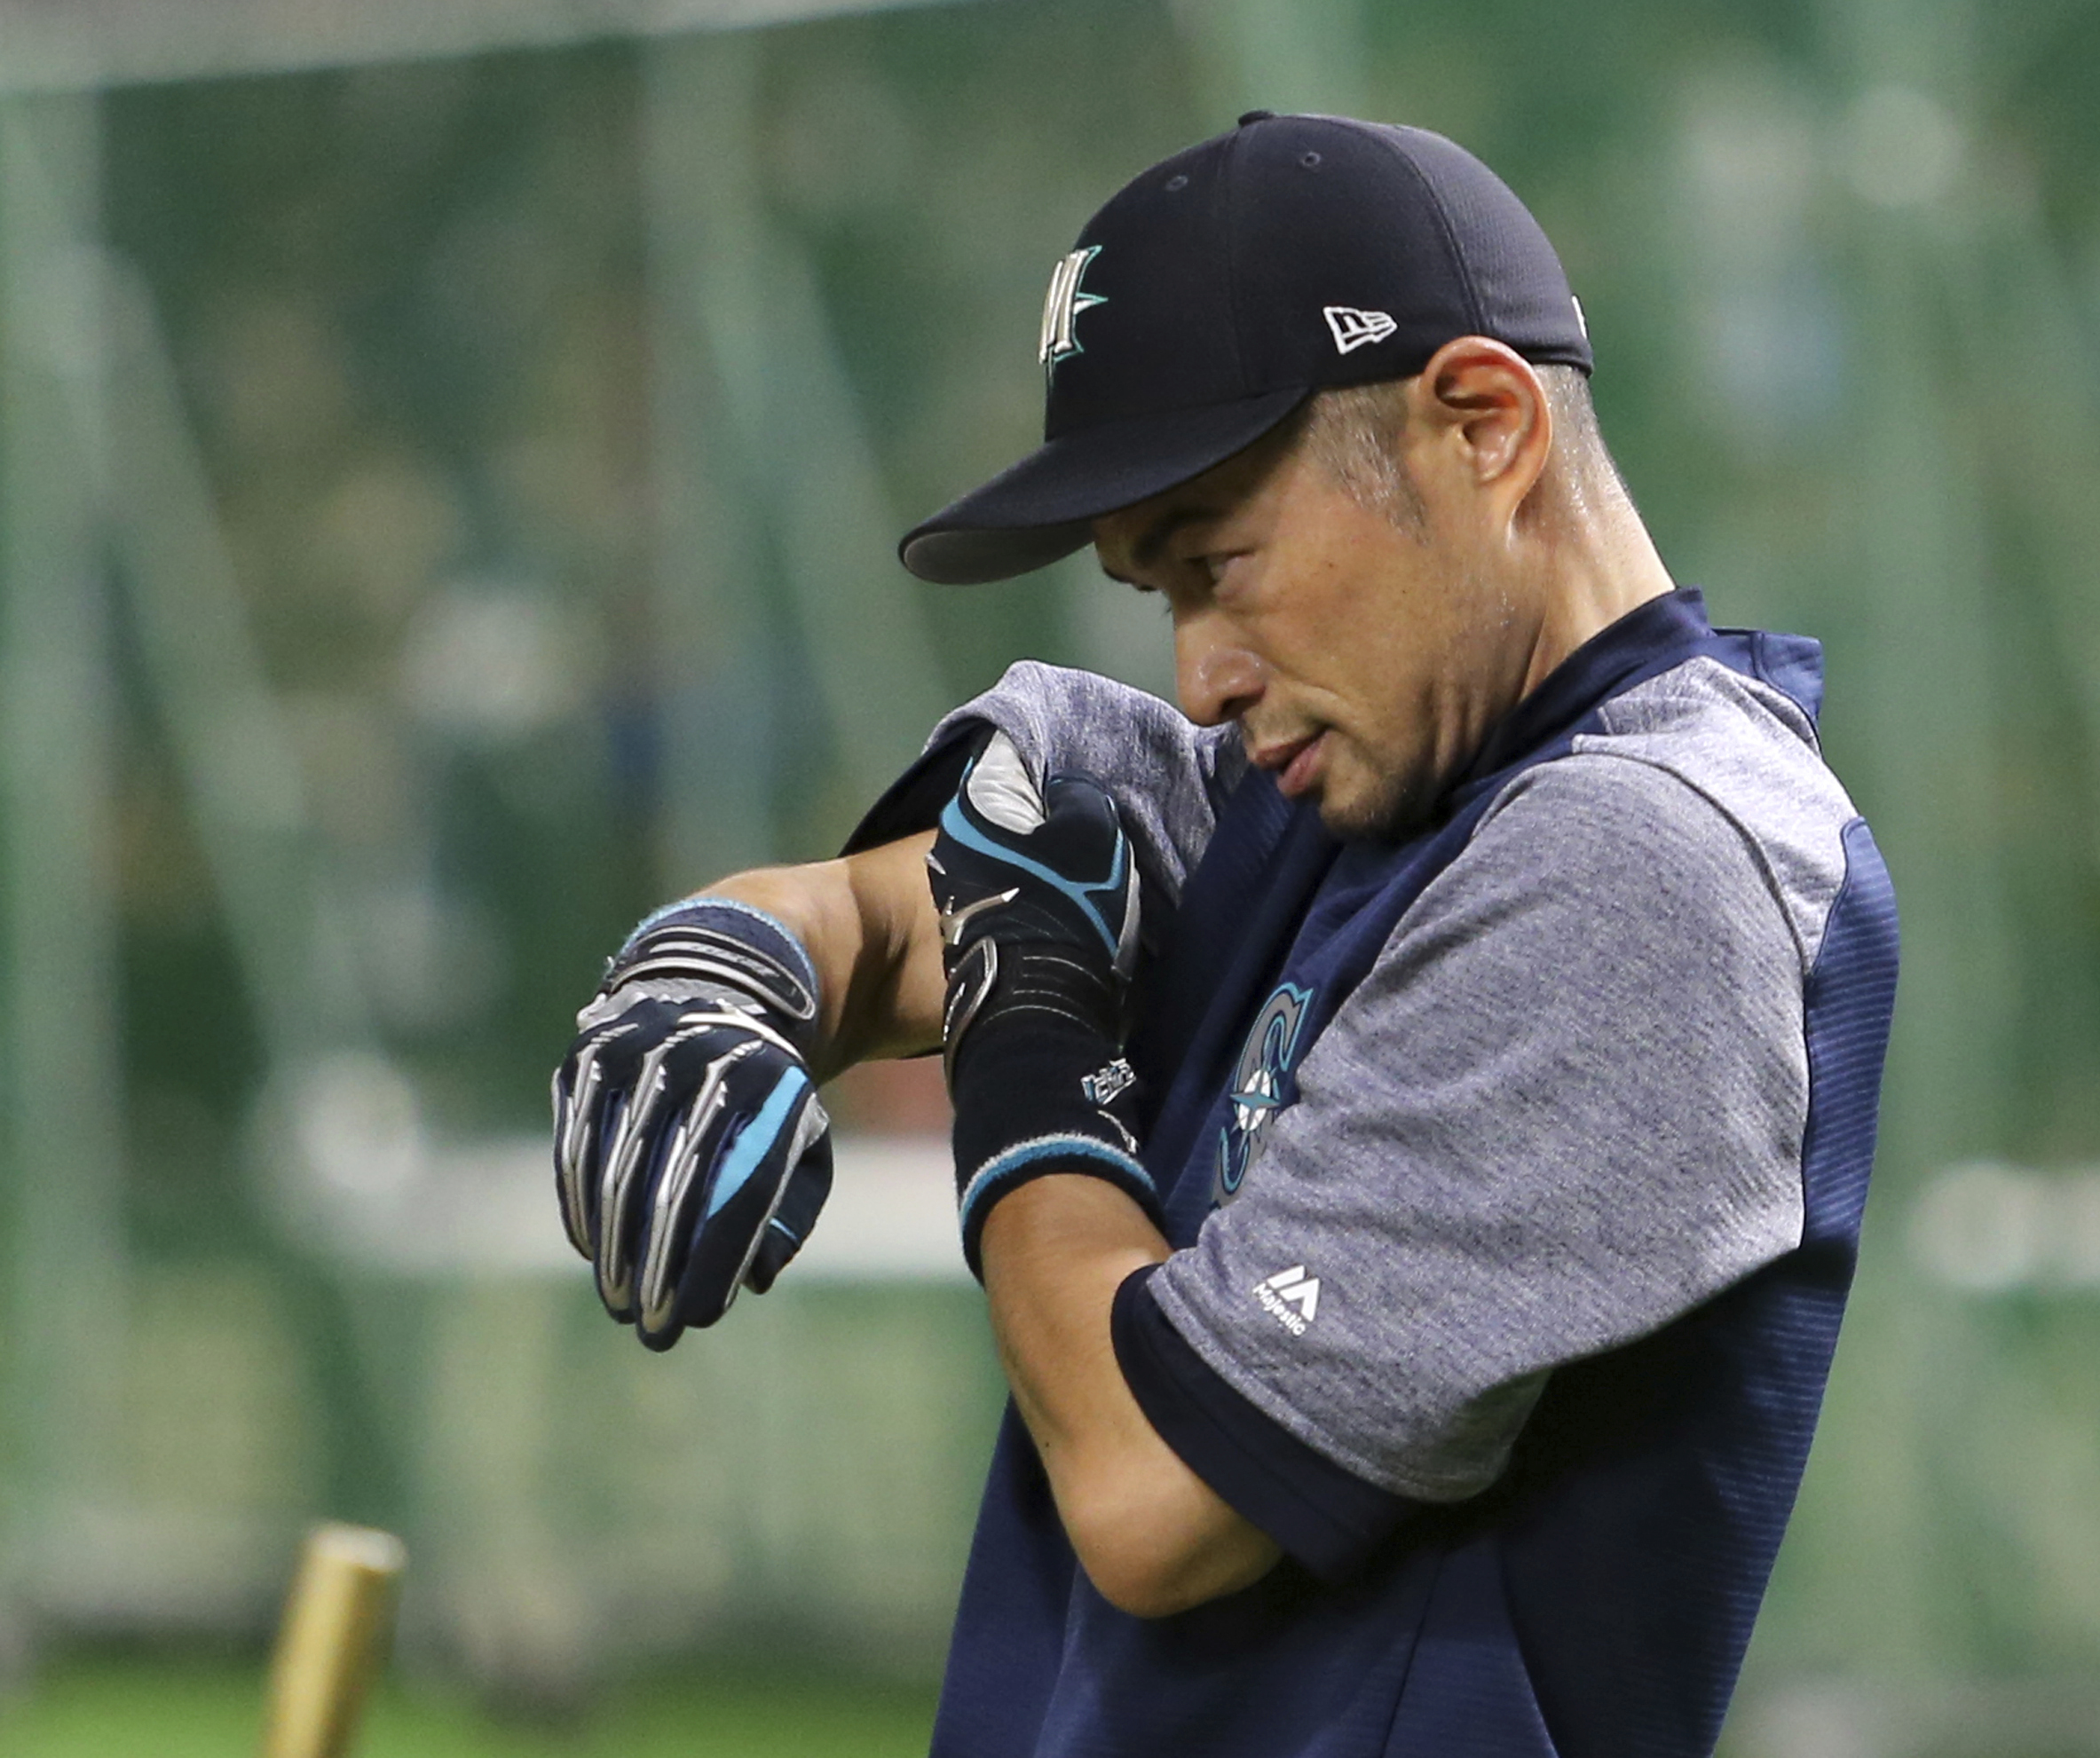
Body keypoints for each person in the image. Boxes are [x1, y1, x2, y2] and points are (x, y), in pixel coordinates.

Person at [552, 112, 1899, 1757]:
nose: (1204, 671)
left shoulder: (1652, 861)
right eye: (1159, 594)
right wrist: (725, 962)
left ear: (1484, 424)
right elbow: (897, 915)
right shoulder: (1349, 784)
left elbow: (1151, 1490)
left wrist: (1032, 1033)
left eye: (1223, 561)